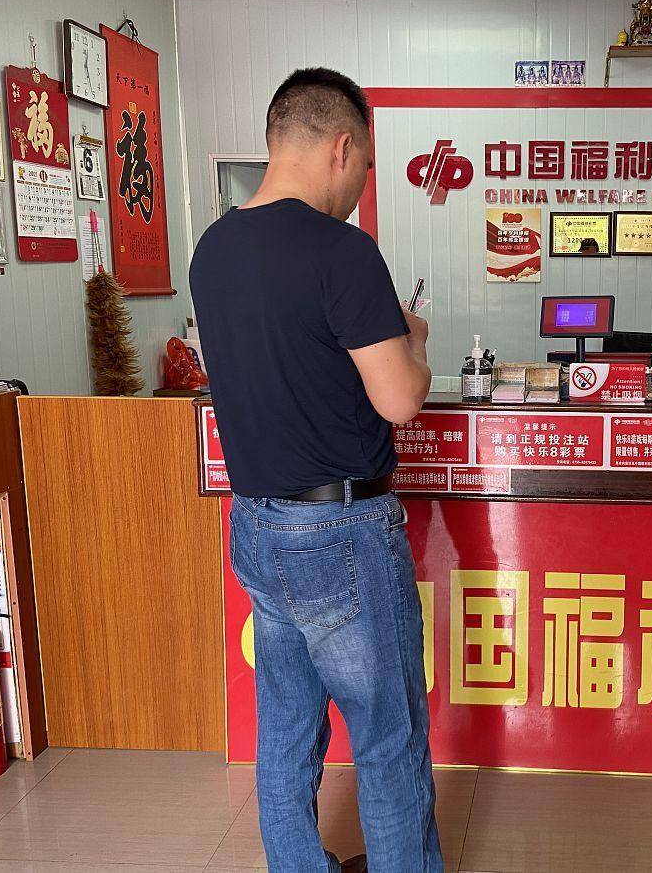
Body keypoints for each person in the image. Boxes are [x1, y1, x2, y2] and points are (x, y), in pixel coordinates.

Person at [189, 68, 439, 873]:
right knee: (389, 740)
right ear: (341, 146)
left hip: (256, 525)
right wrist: (414, 342)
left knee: (287, 731)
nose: (361, 186)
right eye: (364, 166)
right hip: (343, 534)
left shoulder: (213, 250)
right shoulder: (342, 251)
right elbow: (399, 400)